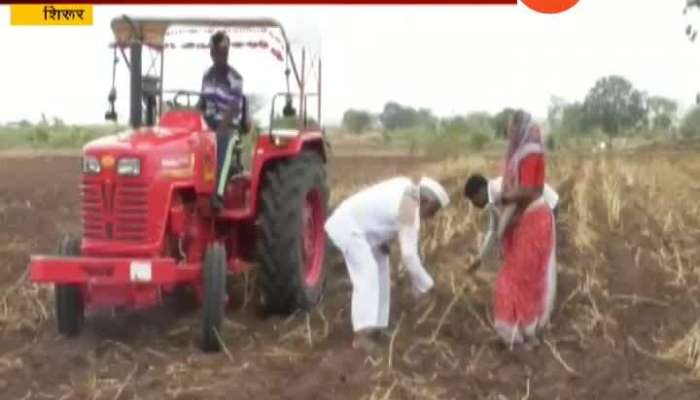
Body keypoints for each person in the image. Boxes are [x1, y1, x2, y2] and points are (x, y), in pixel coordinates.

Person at [325, 176, 450, 351]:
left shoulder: (406, 187)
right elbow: (409, 256)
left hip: (364, 230)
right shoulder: (409, 206)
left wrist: (382, 240)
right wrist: (428, 286)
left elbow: (381, 214)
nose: (431, 216)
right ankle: (361, 335)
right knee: (367, 273)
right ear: (426, 200)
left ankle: (376, 326)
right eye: (433, 210)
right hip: (349, 227)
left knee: (381, 268)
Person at [486, 110, 557, 351]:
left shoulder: (529, 153)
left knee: (516, 280)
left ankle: (520, 334)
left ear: (520, 126)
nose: (508, 131)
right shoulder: (524, 152)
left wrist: (504, 196)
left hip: (533, 219)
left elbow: (529, 190)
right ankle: (524, 332)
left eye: (511, 126)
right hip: (529, 219)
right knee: (524, 279)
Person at [463, 173, 559, 271]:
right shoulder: (493, 198)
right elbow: (493, 229)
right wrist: (480, 258)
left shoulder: (500, 189)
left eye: (473, 200)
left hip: (548, 204)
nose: (474, 204)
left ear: (479, 193)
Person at [198, 31, 247, 211]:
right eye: (217, 51)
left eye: (224, 52)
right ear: (211, 53)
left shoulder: (235, 77)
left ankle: (217, 194)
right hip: (208, 122)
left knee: (221, 140)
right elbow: (202, 103)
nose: (221, 55)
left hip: (229, 124)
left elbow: (234, 106)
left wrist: (220, 127)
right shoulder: (207, 76)